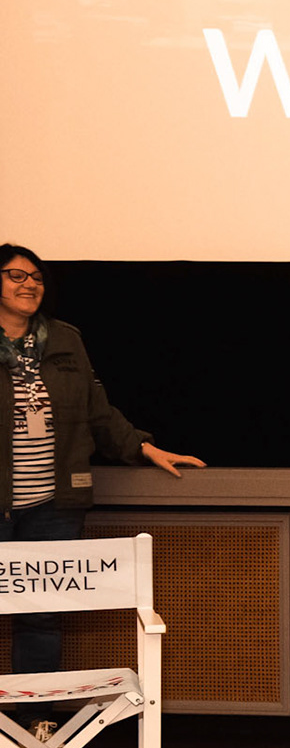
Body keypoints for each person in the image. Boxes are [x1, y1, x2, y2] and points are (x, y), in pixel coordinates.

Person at [0, 245, 203, 672]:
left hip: (52, 507)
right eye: (16, 276)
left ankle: (39, 711)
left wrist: (144, 447)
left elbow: (97, 411)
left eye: (36, 277)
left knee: (42, 615)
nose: (30, 284)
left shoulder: (64, 339)